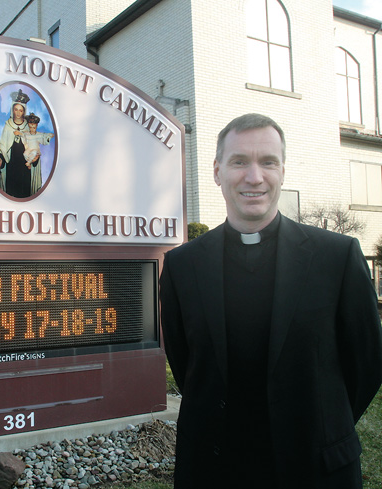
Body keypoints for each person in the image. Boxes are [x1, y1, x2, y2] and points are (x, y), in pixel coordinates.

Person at [159, 113, 382, 489]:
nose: (254, 177)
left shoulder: (337, 257)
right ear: (217, 171)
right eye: (239, 161)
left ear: (282, 170)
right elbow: (187, 367)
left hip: (316, 467)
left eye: (268, 162)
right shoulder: (183, 265)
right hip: (214, 469)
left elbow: (367, 364)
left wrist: (325, 425)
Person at [0, 89, 42, 198]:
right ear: (12, 110)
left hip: (25, 169)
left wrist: (36, 159)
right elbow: (2, 147)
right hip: (11, 167)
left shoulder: (29, 127)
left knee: (25, 193)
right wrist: (0, 159)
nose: (18, 113)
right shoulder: (8, 126)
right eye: (16, 109)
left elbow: (34, 147)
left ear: (24, 111)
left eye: (21, 110)